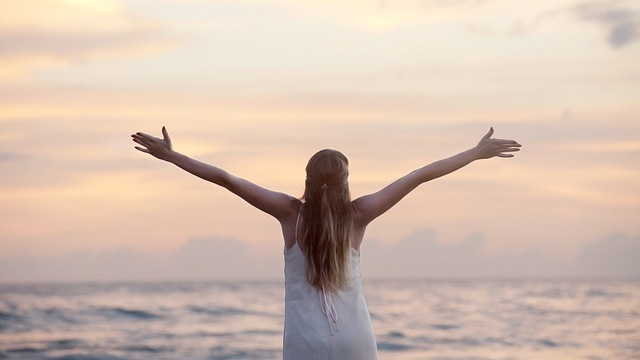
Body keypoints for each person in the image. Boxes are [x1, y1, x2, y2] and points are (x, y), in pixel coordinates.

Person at [131, 126, 521, 359]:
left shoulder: (289, 213)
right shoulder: (360, 213)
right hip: (355, 337)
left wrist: (172, 156)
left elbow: (227, 179)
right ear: (346, 180)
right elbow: (419, 175)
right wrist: (475, 153)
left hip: (305, 341)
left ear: (307, 176)